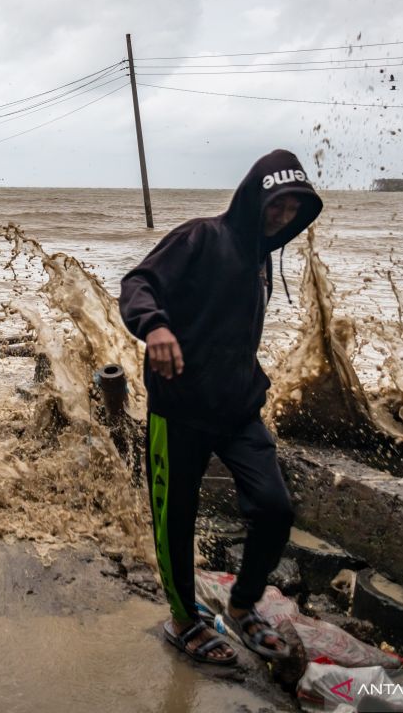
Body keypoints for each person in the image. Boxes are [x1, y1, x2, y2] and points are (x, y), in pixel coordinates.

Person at [119, 149, 323, 666]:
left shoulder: (261, 257)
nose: (282, 216)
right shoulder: (200, 237)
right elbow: (137, 284)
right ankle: (183, 619)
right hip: (180, 408)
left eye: (293, 210)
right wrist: (156, 327)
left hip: (238, 409)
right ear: (253, 196)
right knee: (176, 521)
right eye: (275, 205)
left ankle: (242, 605)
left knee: (275, 510)